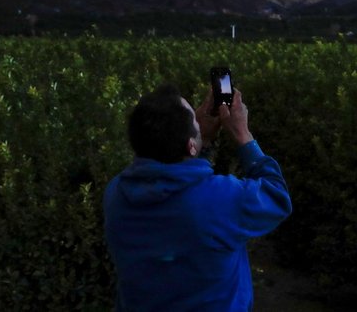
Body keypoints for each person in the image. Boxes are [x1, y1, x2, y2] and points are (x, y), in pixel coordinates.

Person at [103, 83, 292, 311]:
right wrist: (243, 135)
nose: (200, 120)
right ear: (190, 145)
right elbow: (276, 197)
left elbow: (175, 180)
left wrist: (199, 143)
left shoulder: (116, 193)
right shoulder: (219, 200)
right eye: (194, 118)